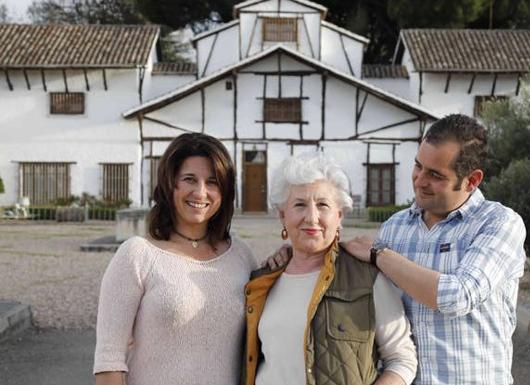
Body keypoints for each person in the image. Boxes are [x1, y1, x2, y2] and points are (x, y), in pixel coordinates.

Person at [343, 114, 526, 385]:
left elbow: (457, 296)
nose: (419, 180)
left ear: (472, 180)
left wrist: (380, 255)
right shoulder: (394, 228)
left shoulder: (499, 224)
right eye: (418, 166)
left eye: (435, 175)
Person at [93, 133, 257, 385]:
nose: (201, 192)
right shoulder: (138, 254)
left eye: (213, 182)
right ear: (170, 184)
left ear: (224, 191)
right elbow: (109, 360)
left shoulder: (242, 256)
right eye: (189, 179)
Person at [242, 152, 418, 385]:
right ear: (283, 215)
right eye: (300, 205)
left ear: (340, 215)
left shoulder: (367, 277)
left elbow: (402, 359)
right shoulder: (262, 280)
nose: (312, 218)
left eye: (323, 205)